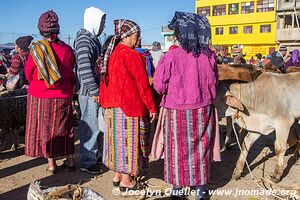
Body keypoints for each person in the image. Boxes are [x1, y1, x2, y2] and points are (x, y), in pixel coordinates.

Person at [153, 11, 221, 200]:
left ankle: (177, 189)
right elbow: (213, 81)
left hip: (177, 109)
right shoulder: (209, 56)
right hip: (203, 109)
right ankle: (200, 189)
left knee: (176, 148)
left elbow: (158, 85)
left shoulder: (171, 56)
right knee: (201, 147)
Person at [99, 19, 157, 191]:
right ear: (125, 37)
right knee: (127, 143)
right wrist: (152, 107)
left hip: (111, 107)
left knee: (115, 142)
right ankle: (126, 180)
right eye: (135, 36)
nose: (137, 39)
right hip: (128, 107)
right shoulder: (131, 56)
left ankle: (117, 175)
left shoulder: (112, 54)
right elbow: (142, 85)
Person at [25, 10, 75, 174]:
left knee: (46, 130)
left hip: (41, 96)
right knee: (66, 129)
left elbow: (29, 74)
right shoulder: (67, 49)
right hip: (63, 96)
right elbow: (70, 72)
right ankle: (70, 160)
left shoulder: (36, 49)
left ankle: (51, 164)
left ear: (41, 29)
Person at [74, 6, 106, 174]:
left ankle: (93, 156)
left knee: (95, 125)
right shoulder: (84, 41)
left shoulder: (91, 39)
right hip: (88, 92)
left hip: (91, 91)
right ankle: (87, 162)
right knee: (90, 126)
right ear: (93, 21)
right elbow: (85, 68)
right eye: (101, 22)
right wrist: (95, 91)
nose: (103, 26)